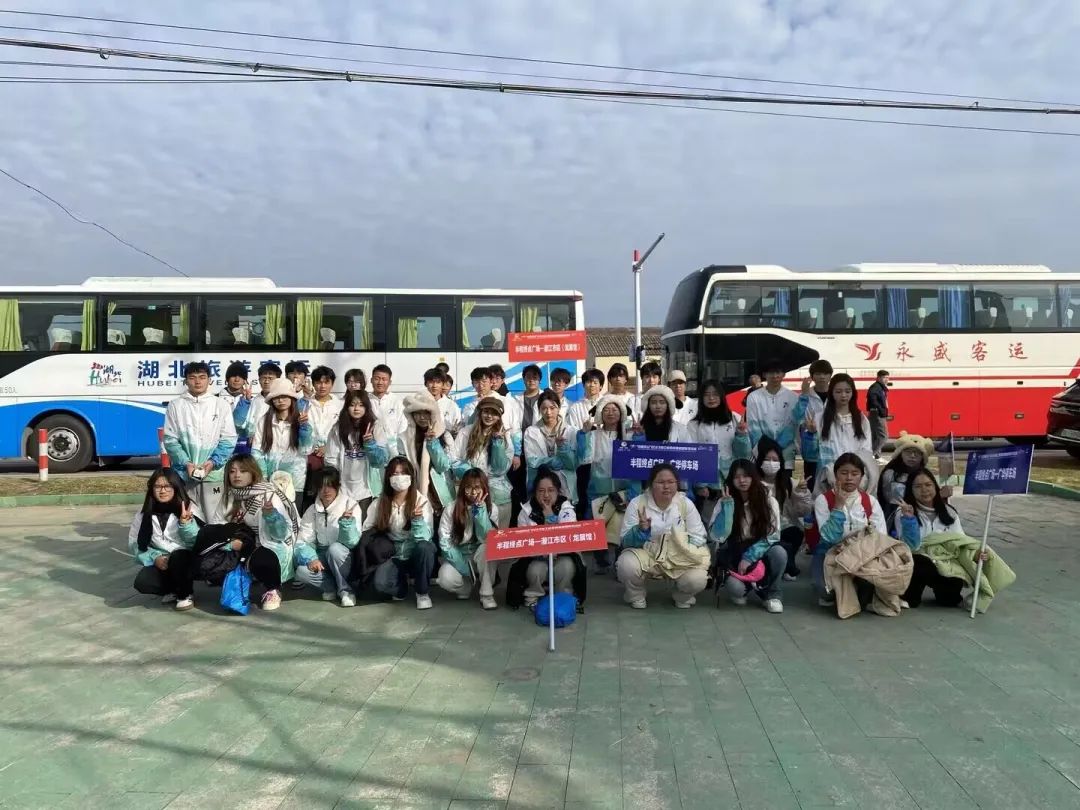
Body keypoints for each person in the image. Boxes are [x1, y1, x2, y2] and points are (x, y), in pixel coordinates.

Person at [616, 463, 710, 609]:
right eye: (660, 482)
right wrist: (640, 531)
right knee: (626, 564)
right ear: (651, 484)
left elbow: (699, 537)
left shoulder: (685, 504)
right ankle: (636, 595)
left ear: (677, 484)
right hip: (648, 553)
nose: (666, 487)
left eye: (671, 482)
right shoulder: (637, 503)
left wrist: (679, 547)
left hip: (678, 555)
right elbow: (625, 541)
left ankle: (682, 596)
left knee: (698, 578)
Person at [217, 454, 301, 611]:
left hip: (267, 544)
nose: (237, 475)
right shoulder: (229, 496)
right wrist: (229, 543)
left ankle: (273, 589)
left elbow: (282, 534)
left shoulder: (269, 494)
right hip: (239, 544)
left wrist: (271, 516)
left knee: (263, 558)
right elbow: (218, 525)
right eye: (232, 471)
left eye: (243, 471)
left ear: (253, 473)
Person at [163, 360, 237, 522]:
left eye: (202, 377)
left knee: (215, 521)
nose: (197, 381)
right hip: (184, 475)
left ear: (209, 380)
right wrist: (186, 463)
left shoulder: (221, 405)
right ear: (185, 381)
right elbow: (170, 439)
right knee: (186, 518)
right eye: (192, 377)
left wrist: (212, 463)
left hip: (214, 476)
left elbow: (229, 439)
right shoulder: (175, 405)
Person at [811, 453, 888, 607]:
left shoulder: (870, 501)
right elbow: (829, 537)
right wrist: (838, 506)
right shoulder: (823, 500)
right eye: (844, 473)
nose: (849, 478)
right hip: (830, 552)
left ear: (862, 476)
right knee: (826, 593)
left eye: (854, 473)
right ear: (836, 475)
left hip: (863, 554)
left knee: (868, 590)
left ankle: (860, 587)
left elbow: (881, 536)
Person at [709, 459, 785, 614]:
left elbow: (773, 534)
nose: (742, 480)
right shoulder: (724, 500)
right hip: (735, 550)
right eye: (737, 477)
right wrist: (727, 509)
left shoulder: (769, 500)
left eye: (746, 476)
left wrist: (749, 557)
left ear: (754, 476)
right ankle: (745, 589)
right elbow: (718, 536)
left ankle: (772, 595)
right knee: (736, 589)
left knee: (779, 553)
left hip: (761, 549)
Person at [363, 457, 436, 609]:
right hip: (392, 554)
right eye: (394, 474)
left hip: (414, 552)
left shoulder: (421, 501)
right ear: (388, 477)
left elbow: (426, 537)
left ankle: (422, 593)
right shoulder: (379, 503)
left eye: (403, 473)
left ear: (410, 477)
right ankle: (401, 588)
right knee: (380, 584)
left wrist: (417, 521)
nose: (399, 478)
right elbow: (366, 531)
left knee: (425, 548)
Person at [578, 394, 641, 573]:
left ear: (622, 413)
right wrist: (583, 434)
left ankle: (620, 563)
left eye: (615, 409)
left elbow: (638, 461)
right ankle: (601, 562)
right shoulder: (593, 435)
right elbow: (583, 458)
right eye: (606, 409)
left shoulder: (630, 434)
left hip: (623, 490)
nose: (611, 413)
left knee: (621, 527)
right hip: (598, 489)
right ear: (600, 412)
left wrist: (639, 436)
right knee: (597, 526)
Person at [511, 468, 585, 608]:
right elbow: (523, 543)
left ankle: (562, 596)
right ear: (535, 492)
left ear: (558, 491)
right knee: (535, 570)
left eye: (551, 490)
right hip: (536, 558)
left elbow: (569, 537)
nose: (546, 495)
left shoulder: (566, 508)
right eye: (541, 491)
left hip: (561, 556)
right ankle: (533, 596)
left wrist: (550, 516)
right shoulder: (525, 511)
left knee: (567, 567)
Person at [896, 468, 970, 608]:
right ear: (911, 490)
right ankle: (910, 596)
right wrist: (909, 520)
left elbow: (961, 541)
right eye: (918, 486)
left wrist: (976, 554)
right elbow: (911, 547)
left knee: (949, 601)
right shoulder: (903, 512)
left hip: (945, 563)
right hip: (918, 564)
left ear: (935, 487)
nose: (924, 490)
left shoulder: (949, 512)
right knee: (919, 561)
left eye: (928, 485)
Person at [129, 467, 200, 606]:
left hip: (186, 559)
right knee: (143, 581)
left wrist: (186, 524)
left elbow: (197, 542)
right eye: (157, 486)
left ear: (175, 487)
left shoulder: (189, 509)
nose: (162, 491)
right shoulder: (143, 515)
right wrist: (154, 557)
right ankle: (172, 590)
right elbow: (134, 544)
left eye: (167, 486)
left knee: (179, 558)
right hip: (162, 559)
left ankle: (185, 594)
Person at [293, 467, 361, 606]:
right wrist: (311, 559)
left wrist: (346, 524)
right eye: (322, 486)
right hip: (322, 553)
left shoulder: (350, 505)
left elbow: (353, 542)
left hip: (344, 555)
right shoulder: (312, 510)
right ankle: (330, 587)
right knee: (301, 572)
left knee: (334, 550)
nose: (326, 490)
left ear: (338, 486)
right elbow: (303, 541)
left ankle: (346, 591)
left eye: (330, 485)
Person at [686, 379, 751, 524]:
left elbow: (743, 454)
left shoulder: (735, 419)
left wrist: (741, 435)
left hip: (732, 481)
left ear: (722, 396)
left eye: (715, 394)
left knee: (734, 521)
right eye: (707, 395)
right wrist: (700, 484)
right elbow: (693, 456)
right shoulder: (694, 424)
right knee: (710, 523)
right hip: (708, 488)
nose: (711, 398)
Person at [434, 468, 500, 609]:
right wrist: (464, 567)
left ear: (484, 488)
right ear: (463, 488)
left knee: (487, 548)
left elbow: (488, 538)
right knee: (445, 577)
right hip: (459, 555)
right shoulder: (451, 509)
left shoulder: (492, 508)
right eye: (468, 487)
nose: (473, 492)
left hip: (479, 553)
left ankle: (487, 595)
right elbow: (444, 541)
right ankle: (465, 586)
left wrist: (480, 512)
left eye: (477, 487)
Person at [323, 389, 390, 517]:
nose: (356, 409)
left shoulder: (375, 426)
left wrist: (370, 445)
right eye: (352, 405)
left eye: (360, 405)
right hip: (344, 487)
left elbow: (381, 461)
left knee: (365, 523)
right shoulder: (338, 428)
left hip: (368, 489)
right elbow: (331, 459)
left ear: (366, 407)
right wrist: (335, 482)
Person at [802, 373, 873, 494]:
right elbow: (809, 455)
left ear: (853, 393)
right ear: (832, 393)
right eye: (838, 391)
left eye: (847, 391)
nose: (843, 395)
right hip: (828, 479)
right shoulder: (820, 419)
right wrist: (811, 434)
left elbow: (866, 450)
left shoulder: (861, 420)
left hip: (854, 480)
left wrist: (854, 472)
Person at [755, 437, 812, 580]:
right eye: (767, 459)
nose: (771, 463)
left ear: (781, 462)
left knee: (795, 533)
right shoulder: (753, 483)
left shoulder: (788, 483)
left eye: (775, 460)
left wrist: (800, 493)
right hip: (759, 528)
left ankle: (786, 565)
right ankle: (784, 567)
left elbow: (803, 511)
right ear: (760, 461)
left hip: (782, 526)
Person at [452, 396, 514, 528]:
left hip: (499, 495)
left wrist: (498, 443)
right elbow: (453, 459)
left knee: (499, 535)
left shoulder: (504, 435)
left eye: (494, 413)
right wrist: (473, 475)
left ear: (499, 416)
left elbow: (501, 469)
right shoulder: (465, 432)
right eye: (486, 411)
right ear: (480, 412)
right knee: (472, 533)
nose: (489, 416)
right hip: (471, 492)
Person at [251, 377, 314, 499]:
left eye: (284, 396)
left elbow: (306, 449)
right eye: (276, 397)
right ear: (271, 401)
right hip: (269, 482)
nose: (280, 400)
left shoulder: (302, 419)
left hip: (295, 482)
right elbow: (256, 451)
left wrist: (304, 428)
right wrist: (264, 476)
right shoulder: (264, 421)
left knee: (294, 511)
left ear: (292, 398)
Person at [399, 392, 457, 518]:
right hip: (416, 492)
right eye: (417, 413)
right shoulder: (404, 438)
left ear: (433, 413)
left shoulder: (444, 435)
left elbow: (443, 466)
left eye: (426, 413)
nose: (422, 417)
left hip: (441, 495)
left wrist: (433, 443)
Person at [523, 389, 580, 502]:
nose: (548, 412)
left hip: (565, 486)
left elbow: (573, 464)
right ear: (539, 410)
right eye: (544, 408)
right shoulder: (531, 431)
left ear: (559, 408)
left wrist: (563, 450)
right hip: (540, 485)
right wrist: (551, 461)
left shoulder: (571, 431)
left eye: (552, 408)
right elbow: (531, 461)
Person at [301, 365, 343, 512]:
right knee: (310, 494)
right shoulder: (305, 404)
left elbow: (342, 431)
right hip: (310, 456)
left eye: (326, 382)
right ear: (313, 383)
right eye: (318, 382)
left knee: (330, 493)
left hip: (332, 455)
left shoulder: (340, 405)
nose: (322, 386)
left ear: (332, 383)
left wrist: (328, 447)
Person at [745, 360, 799, 470]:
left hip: (787, 455)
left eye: (778, 372)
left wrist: (778, 448)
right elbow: (753, 427)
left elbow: (793, 425)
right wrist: (767, 450)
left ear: (783, 374)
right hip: (762, 454)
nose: (775, 376)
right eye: (771, 372)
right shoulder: (753, 397)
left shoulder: (793, 397)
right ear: (764, 374)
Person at [878, 432, 937, 527]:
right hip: (894, 516)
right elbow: (883, 498)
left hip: (923, 517)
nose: (912, 456)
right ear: (900, 454)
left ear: (922, 456)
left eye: (917, 453)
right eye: (908, 452)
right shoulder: (890, 474)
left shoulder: (926, 475)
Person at [793, 359, 833, 484]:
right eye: (818, 374)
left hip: (833, 447)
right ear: (812, 376)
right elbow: (796, 417)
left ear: (830, 376)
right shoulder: (806, 395)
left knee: (832, 484)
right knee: (811, 483)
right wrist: (804, 394)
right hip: (811, 448)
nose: (822, 377)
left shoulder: (835, 394)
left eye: (825, 373)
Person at [219, 361, 254, 454]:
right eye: (233, 375)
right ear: (227, 378)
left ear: (245, 380)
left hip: (243, 447)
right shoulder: (216, 398)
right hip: (220, 446)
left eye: (241, 376)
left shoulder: (252, 400)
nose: (237, 379)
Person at [425, 368, 462, 436]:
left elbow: (457, 427)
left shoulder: (451, 405)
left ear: (442, 384)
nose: (434, 386)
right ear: (426, 384)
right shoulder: (419, 403)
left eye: (438, 382)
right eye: (431, 382)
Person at [370, 364, 404, 436]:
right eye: (377, 379)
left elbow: (402, 425)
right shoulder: (365, 400)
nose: (380, 382)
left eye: (384, 379)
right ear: (371, 380)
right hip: (370, 442)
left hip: (392, 442)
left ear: (390, 382)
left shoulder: (397, 401)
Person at [866, 370, 891, 459]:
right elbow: (873, 400)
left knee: (875, 436)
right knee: (884, 436)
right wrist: (881, 410)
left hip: (875, 413)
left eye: (888, 377)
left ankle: (877, 457)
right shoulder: (876, 388)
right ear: (878, 378)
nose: (886, 379)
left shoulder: (879, 387)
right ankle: (871, 454)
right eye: (884, 377)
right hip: (877, 414)